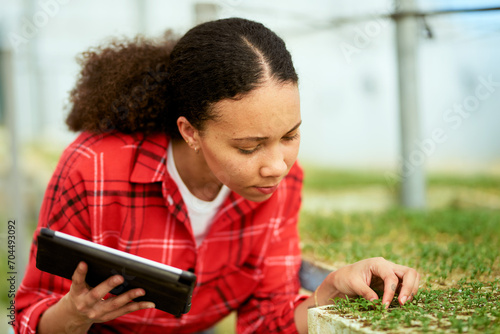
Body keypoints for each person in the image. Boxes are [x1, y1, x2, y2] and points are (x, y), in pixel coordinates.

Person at [14, 17, 419, 334]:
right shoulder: (93, 169)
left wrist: (329, 289)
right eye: (248, 146)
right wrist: (75, 313)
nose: (277, 166)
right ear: (190, 131)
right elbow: (29, 316)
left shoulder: (282, 184)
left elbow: (266, 322)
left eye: (291, 136)